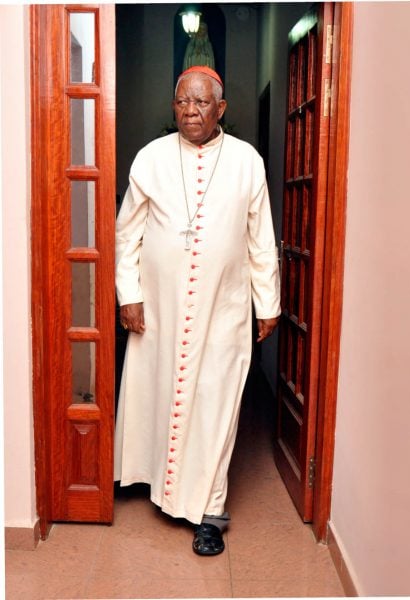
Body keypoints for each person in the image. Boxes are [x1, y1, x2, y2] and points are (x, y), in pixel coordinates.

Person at [114, 65, 281, 556]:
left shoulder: (247, 161)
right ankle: (151, 482)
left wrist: (266, 303)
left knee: (216, 405)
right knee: (159, 390)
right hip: (160, 309)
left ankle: (210, 510)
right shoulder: (151, 158)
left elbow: (261, 240)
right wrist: (130, 295)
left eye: (202, 102)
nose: (190, 110)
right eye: (182, 102)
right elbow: (127, 234)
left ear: (221, 109)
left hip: (225, 309)